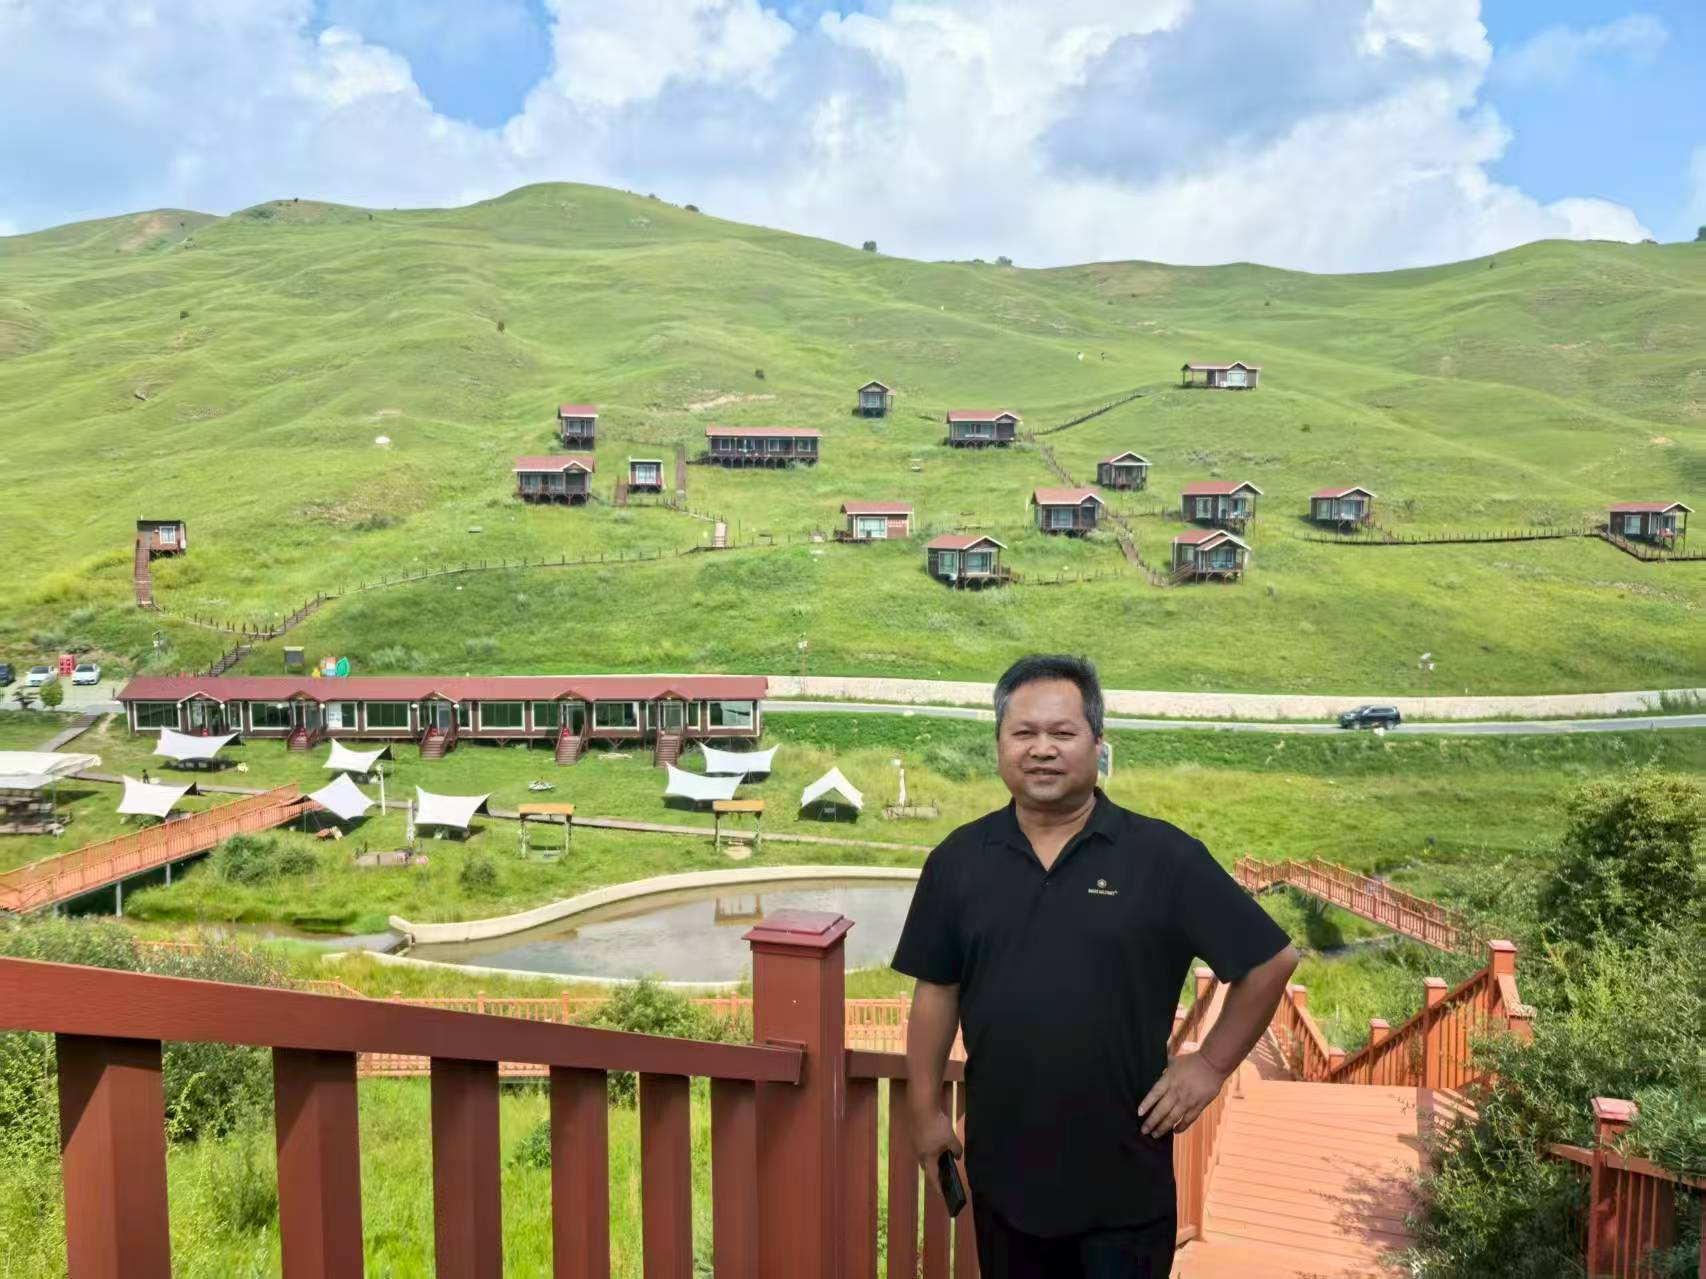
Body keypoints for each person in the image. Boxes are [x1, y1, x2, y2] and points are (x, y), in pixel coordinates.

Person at [892, 654, 1299, 1278]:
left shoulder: (1162, 857)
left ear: (1098, 743)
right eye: (1023, 733)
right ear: (999, 743)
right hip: (1005, 1176)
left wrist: (1211, 1064)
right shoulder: (958, 861)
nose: (1042, 749)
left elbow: (1270, 960)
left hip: (1124, 1185)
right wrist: (924, 1113)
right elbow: (936, 992)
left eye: (1063, 732)